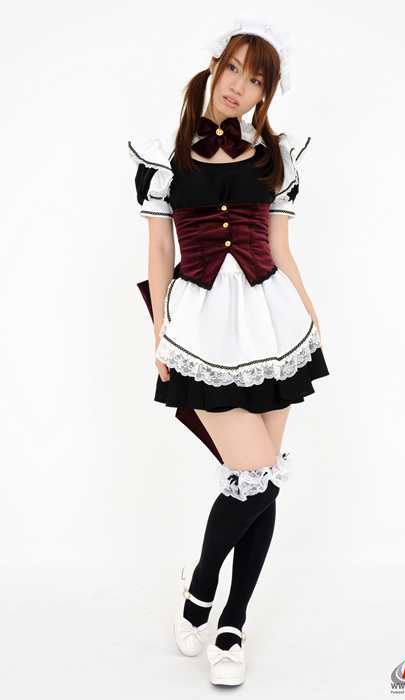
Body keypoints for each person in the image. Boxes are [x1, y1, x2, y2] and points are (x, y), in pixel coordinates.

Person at [127, 17, 330, 687]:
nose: (240, 85)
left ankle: (231, 622)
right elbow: (160, 252)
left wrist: (311, 316)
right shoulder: (165, 158)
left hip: (274, 327)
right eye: (235, 68)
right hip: (201, 329)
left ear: (267, 93)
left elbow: (278, 247)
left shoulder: (277, 158)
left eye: (256, 79)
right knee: (254, 469)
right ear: (215, 66)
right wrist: (160, 334)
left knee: (260, 480)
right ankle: (202, 585)